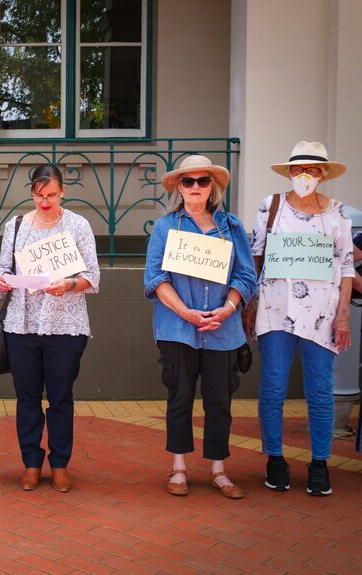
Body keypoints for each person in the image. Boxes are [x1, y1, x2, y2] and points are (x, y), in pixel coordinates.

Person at [244, 141, 352, 496]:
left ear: (323, 175)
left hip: (322, 313)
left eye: (312, 170)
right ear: (289, 172)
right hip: (275, 309)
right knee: (272, 387)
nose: (304, 176)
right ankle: (274, 458)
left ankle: (320, 462)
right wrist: (249, 304)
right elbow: (255, 257)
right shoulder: (270, 206)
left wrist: (343, 317)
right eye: (297, 169)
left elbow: (346, 267)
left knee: (320, 390)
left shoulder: (338, 213)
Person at [145, 155, 256, 498]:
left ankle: (218, 470)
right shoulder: (166, 226)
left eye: (202, 181)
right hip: (178, 329)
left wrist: (228, 307)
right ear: (178, 187)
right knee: (179, 397)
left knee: (220, 401)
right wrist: (186, 313)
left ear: (213, 187)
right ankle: (178, 467)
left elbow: (246, 274)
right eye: (187, 181)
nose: (195, 188)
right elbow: (155, 277)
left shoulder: (231, 227)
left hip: (224, 330)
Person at [0, 164, 100, 493]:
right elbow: (3, 265)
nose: (45, 201)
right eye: (39, 195)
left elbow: (92, 277)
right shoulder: (18, 224)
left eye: (51, 195)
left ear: (62, 191)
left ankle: (60, 463)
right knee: (26, 398)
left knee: (61, 398)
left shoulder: (78, 225)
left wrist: (67, 284)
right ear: (31, 193)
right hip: (21, 325)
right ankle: (31, 462)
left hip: (65, 326)